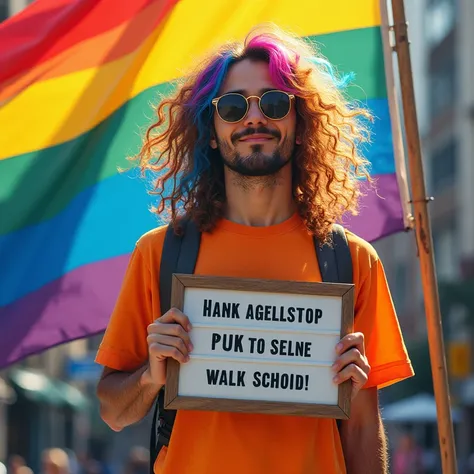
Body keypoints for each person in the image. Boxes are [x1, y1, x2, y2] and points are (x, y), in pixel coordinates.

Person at [95, 24, 414, 474]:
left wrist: (356, 384)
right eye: (231, 106)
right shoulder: (161, 253)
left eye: (275, 102)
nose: (253, 118)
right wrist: (151, 375)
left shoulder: (352, 261)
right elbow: (113, 411)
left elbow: (362, 432)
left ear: (300, 126)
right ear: (211, 131)